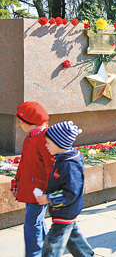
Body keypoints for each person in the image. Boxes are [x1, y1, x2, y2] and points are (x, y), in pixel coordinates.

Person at [36, 121, 94, 257]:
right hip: (65, 211)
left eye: (48, 143)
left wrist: (49, 199)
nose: (46, 145)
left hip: (65, 211)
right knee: (74, 239)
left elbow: (71, 193)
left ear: (59, 143)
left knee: (51, 246)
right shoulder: (63, 159)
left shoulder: (69, 165)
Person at [10, 102, 54, 257]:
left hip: (39, 190)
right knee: (37, 221)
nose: (20, 124)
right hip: (31, 188)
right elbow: (24, 164)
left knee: (31, 224)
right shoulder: (31, 137)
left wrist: (49, 190)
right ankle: (46, 252)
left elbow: (51, 166)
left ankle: (34, 254)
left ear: (30, 123)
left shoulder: (43, 139)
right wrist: (17, 181)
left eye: (21, 121)